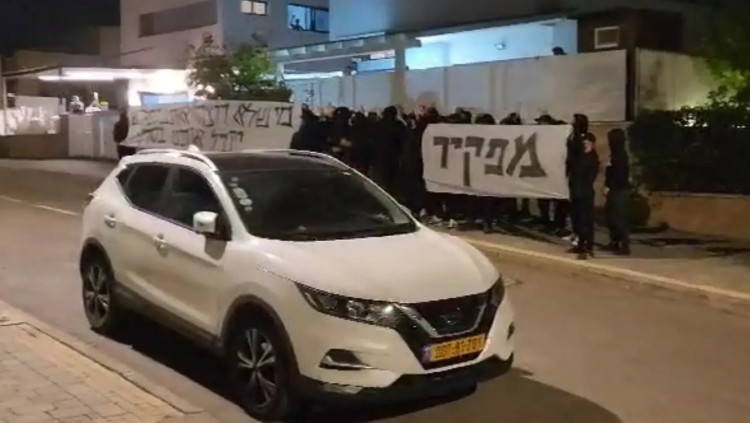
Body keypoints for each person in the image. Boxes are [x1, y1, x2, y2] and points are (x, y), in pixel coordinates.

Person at [569, 132, 600, 260]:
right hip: (576, 192)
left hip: (585, 193)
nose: (584, 145)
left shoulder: (592, 158)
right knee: (577, 220)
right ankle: (580, 244)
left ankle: (588, 246)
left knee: (586, 220)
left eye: (587, 143)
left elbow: (590, 177)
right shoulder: (579, 157)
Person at [604, 128, 631, 255]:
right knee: (611, 217)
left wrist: (609, 186)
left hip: (618, 190)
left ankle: (624, 245)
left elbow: (618, 174)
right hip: (615, 189)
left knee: (618, 217)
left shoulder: (620, 156)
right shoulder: (615, 154)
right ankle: (614, 242)